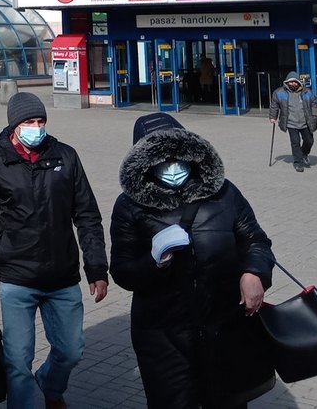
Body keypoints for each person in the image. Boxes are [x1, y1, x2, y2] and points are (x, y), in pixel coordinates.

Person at [110, 113, 274, 409]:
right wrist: (154, 261)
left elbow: (255, 241)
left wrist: (254, 273)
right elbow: (122, 271)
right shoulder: (129, 206)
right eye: (162, 159)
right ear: (144, 162)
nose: (172, 165)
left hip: (224, 327)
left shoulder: (224, 193)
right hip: (163, 336)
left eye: (178, 155)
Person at [0, 91, 108, 409]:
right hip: (17, 278)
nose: (37, 127)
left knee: (71, 351)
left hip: (62, 276)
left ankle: (49, 383)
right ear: (15, 126)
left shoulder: (66, 156)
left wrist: (97, 268)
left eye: (41, 121)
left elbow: (87, 216)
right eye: (30, 122)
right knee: (18, 362)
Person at [270, 72, 317, 172]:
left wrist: (315, 117)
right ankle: (298, 163)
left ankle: (304, 154)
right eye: (291, 82)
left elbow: (314, 104)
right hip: (291, 123)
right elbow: (274, 105)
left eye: (295, 82)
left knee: (309, 141)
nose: (293, 84)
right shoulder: (279, 93)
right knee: (295, 142)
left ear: (299, 83)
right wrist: (273, 117)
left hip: (305, 122)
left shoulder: (307, 92)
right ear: (286, 82)